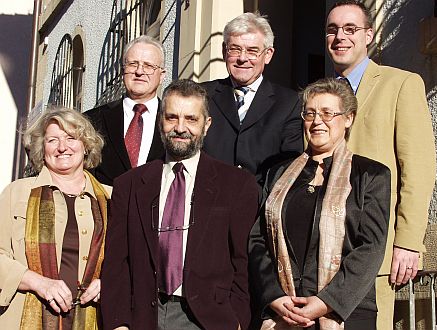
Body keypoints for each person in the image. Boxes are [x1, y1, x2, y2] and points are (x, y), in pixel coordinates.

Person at [100, 79, 259, 330]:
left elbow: (244, 262)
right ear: (160, 121)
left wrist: (237, 320)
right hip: (143, 317)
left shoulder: (237, 185)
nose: (180, 128)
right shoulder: (128, 186)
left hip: (209, 320)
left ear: (206, 125)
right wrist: (118, 322)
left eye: (191, 119)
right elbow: (116, 263)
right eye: (172, 117)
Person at [325, 1, 436, 328]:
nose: (340, 37)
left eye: (350, 29)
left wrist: (408, 242)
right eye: (332, 30)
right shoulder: (318, 94)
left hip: (379, 251)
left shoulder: (401, 84)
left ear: (368, 35)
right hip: (325, 252)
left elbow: (417, 169)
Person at [249, 78, 391, 329]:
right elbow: (258, 239)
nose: (317, 121)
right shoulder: (277, 174)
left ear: (348, 118)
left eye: (327, 113)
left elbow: (371, 247)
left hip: (346, 311)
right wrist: (274, 295)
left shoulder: (371, 175)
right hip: (285, 310)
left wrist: (326, 302)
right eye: (310, 113)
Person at [0, 107, 111, 329]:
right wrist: (38, 283)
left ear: (86, 145)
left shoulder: (111, 198)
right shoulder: (17, 192)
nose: (62, 147)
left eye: (71, 138)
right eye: (52, 140)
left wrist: (107, 282)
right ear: (42, 148)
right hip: (24, 316)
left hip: (93, 317)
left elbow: (128, 261)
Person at [202, 12, 303, 185]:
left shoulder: (290, 102)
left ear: (268, 54)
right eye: (235, 49)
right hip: (207, 201)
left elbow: (290, 163)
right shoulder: (202, 95)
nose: (242, 58)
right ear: (224, 51)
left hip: (260, 204)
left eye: (252, 51)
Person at [84, 35, 166, 186]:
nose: (139, 72)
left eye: (148, 66)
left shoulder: (173, 121)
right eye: (133, 64)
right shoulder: (92, 120)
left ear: (161, 75)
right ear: (123, 71)